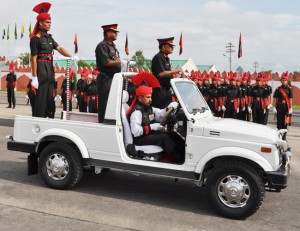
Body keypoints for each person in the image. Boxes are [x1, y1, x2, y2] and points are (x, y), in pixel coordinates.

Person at [30, 2, 72, 118]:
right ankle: (39, 119)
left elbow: (59, 48)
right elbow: (33, 58)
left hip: (49, 69)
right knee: (41, 98)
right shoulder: (35, 39)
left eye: (50, 22)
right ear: (40, 23)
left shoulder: (50, 38)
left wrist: (70, 56)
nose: (49, 24)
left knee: (50, 97)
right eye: (47, 22)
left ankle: (49, 117)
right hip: (41, 69)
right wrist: (34, 77)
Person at [127, 85, 184, 163]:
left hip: (148, 135)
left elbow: (160, 114)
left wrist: (168, 108)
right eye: (148, 97)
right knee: (164, 138)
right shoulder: (137, 112)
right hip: (140, 139)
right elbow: (135, 131)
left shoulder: (149, 108)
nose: (150, 100)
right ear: (140, 98)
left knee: (172, 134)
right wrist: (152, 127)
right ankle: (180, 160)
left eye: (150, 97)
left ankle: (184, 154)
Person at [95, 24, 125, 123]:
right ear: (108, 33)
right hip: (105, 79)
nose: (116, 34)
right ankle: (103, 124)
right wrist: (121, 61)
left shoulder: (113, 47)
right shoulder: (102, 46)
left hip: (113, 78)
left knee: (112, 103)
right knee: (105, 103)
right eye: (114, 32)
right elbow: (106, 62)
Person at [151, 37, 182, 109]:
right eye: (170, 46)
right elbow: (161, 74)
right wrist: (176, 70)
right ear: (164, 47)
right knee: (161, 111)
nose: (172, 48)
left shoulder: (166, 58)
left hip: (166, 90)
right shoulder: (158, 57)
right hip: (160, 91)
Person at [273, 72, 293, 140]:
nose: (284, 81)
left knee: (285, 122)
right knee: (279, 122)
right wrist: (274, 107)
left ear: (287, 81)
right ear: (281, 81)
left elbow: (290, 99)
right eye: (283, 80)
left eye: (285, 80)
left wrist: (290, 108)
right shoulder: (278, 89)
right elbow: (275, 98)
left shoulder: (289, 89)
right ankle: (279, 136)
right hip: (279, 107)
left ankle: (284, 136)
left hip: (286, 107)